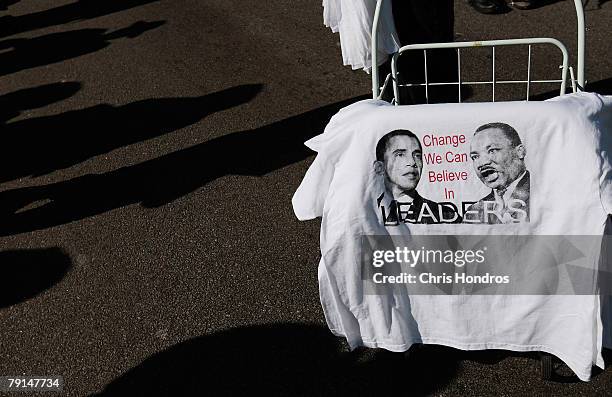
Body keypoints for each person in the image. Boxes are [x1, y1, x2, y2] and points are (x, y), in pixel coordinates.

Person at [374, 129, 461, 224]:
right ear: (380, 167)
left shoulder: (447, 216)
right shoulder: (365, 210)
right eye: (400, 155)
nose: (412, 162)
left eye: (417, 155)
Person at [465, 122, 530, 224]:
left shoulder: (544, 194)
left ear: (520, 151)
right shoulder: (474, 212)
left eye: (492, 150)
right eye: (475, 157)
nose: (483, 163)